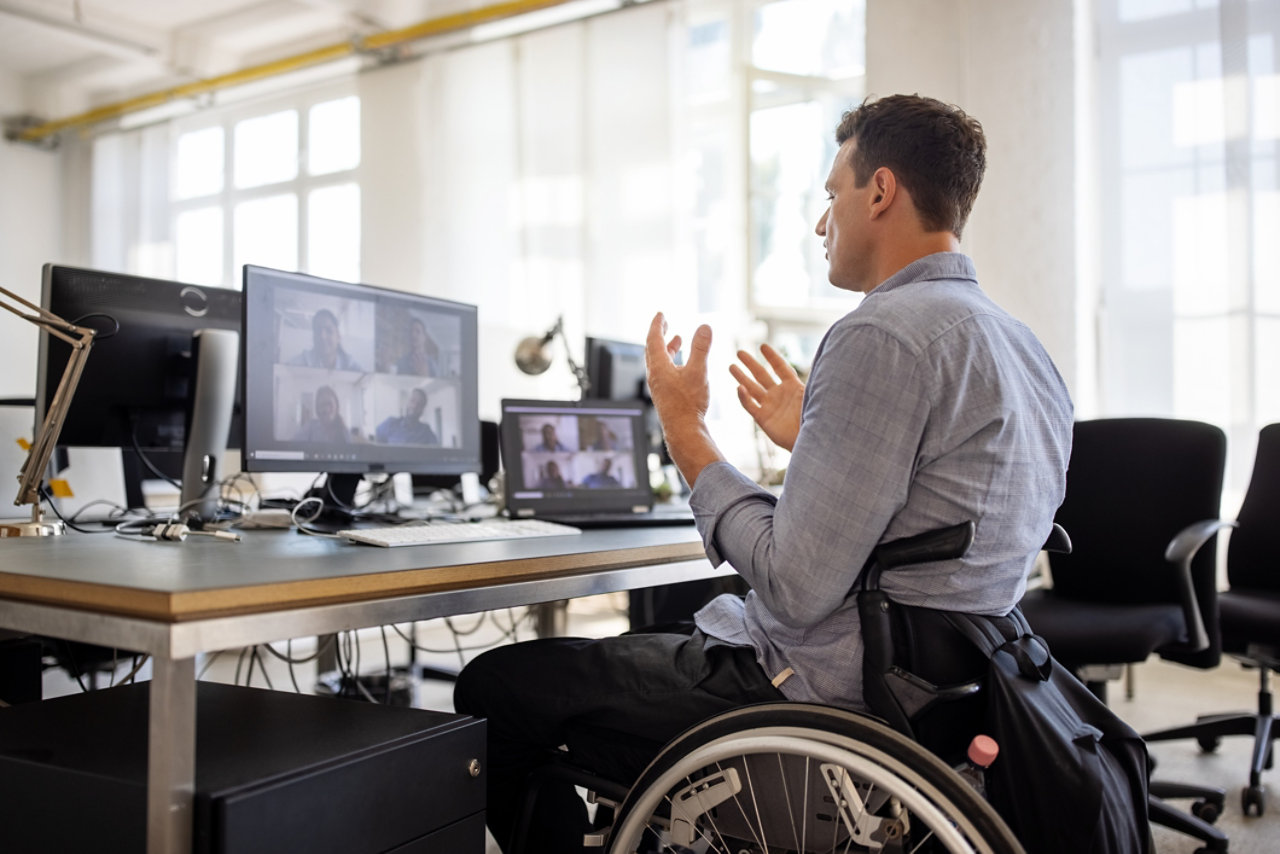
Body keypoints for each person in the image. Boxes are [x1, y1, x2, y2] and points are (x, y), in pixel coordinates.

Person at [453, 94, 1074, 854]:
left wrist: (687, 433)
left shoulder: (881, 332)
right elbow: (932, 522)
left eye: (830, 197)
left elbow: (798, 585)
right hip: (943, 690)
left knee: (497, 689)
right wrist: (812, 442)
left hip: (814, 693)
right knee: (649, 633)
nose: (821, 224)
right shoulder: (1021, 346)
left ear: (878, 192)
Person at [285, 308, 362, 371]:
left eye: (329, 330)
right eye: (318, 330)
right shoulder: (303, 360)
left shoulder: (349, 364)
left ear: (338, 336)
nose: (322, 336)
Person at [374, 387, 439, 445]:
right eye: (412, 401)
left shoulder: (425, 431)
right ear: (407, 403)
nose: (414, 406)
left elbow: (437, 453)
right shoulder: (390, 423)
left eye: (419, 404)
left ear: (422, 410)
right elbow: (375, 443)